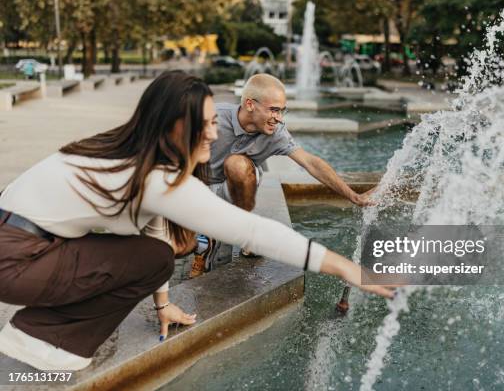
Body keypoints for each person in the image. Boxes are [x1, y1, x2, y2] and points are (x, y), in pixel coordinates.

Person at [0, 70, 395, 371]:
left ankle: (37, 328)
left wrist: (163, 306)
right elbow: (253, 230)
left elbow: (153, 230)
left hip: (19, 246)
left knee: (153, 252)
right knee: (154, 257)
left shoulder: (124, 149)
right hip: (18, 261)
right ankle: (42, 338)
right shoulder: (159, 176)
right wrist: (347, 267)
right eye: (204, 124)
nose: (213, 132)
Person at [190, 73, 375, 277]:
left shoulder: (276, 133)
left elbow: (311, 162)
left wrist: (354, 196)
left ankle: (243, 230)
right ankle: (204, 247)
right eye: (274, 110)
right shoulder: (213, 117)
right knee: (211, 260)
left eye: (282, 111)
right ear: (250, 104)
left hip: (233, 191)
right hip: (198, 189)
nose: (279, 118)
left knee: (238, 165)